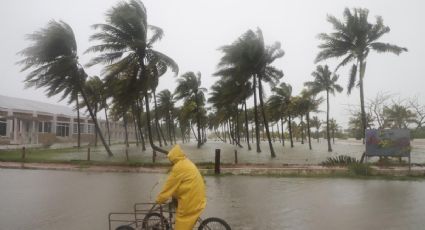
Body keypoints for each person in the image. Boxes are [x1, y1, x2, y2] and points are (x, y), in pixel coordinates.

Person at [156, 144, 206, 230]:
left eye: (170, 159)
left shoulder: (178, 167)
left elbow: (169, 186)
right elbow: (179, 184)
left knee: (181, 223)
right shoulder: (186, 162)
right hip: (198, 196)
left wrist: (160, 199)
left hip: (191, 200)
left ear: (174, 158)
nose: (170, 162)